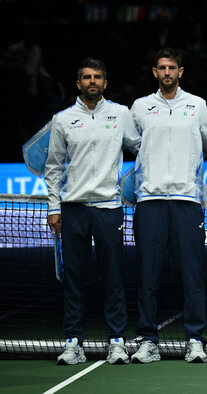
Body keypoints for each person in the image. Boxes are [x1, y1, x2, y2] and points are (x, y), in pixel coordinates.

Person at [45, 58, 141, 365]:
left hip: (108, 208)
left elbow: (142, 148)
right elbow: (53, 167)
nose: (92, 81)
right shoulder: (62, 120)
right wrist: (53, 206)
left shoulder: (121, 114)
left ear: (105, 83)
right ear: (78, 84)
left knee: (113, 277)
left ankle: (117, 341)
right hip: (73, 210)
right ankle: (73, 342)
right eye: (87, 77)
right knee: (74, 278)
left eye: (97, 77)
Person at [129, 48, 207, 364]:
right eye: (162, 68)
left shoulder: (197, 106)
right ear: (154, 72)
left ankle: (196, 340)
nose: (167, 72)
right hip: (150, 201)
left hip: (187, 201)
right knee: (147, 276)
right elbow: (128, 142)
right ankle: (148, 340)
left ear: (181, 72)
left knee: (193, 275)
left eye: (172, 68)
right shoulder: (140, 107)